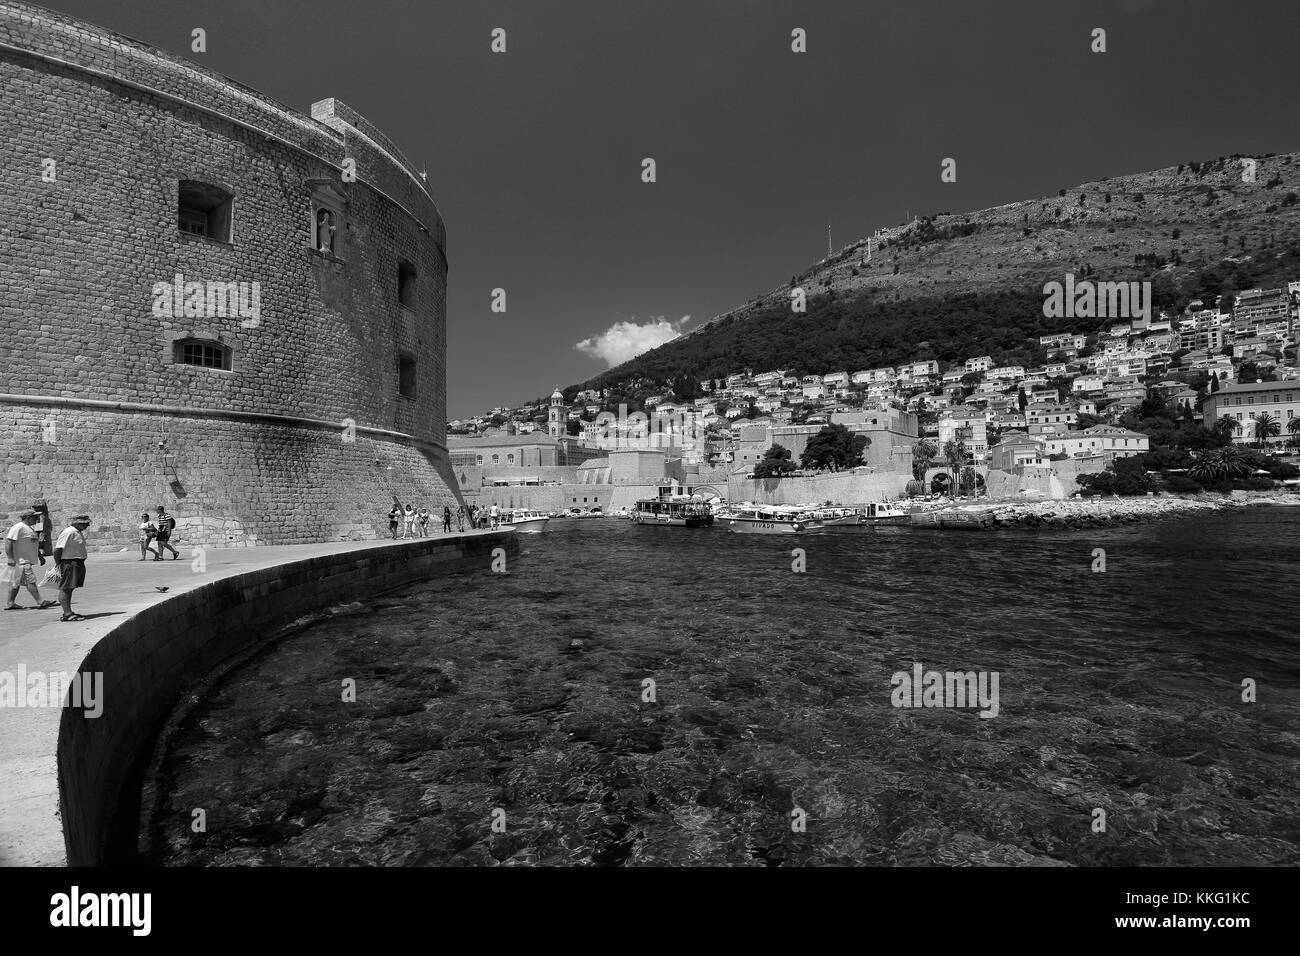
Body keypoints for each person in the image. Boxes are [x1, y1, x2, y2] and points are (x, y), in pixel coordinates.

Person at [4, 509, 56, 610]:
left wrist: (40, 556)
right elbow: (9, 542)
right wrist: (10, 558)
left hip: (24, 561)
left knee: (16, 583)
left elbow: (32, 544)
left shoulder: (29, 528)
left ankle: (10, 603)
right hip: (21, 561)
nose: (37, 519)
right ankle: (40, 601)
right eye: (35, 517)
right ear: (28, 518)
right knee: (30, 581)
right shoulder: (18, 527)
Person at [53, 514, 91, 622]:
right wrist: (58, 564)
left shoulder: (76, 532)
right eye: (86, 524)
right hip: (70, 563)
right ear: (79, 523)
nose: (87, 526)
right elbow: (57, 550)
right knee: (66, 588)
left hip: (77, 562)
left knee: (70, 588)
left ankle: (68, 612)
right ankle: (67, 613)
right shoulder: (69, 532)